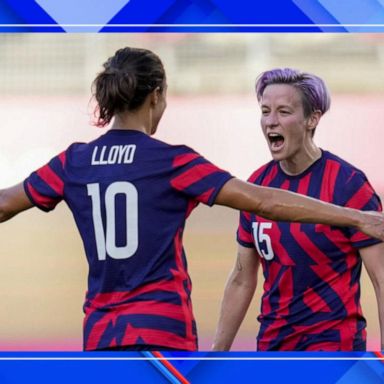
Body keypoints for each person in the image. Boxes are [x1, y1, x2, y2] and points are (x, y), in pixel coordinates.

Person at [1, 51, 384, 352]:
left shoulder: (74, 161)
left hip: (102, 335)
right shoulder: (172, 161)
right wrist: (355, 218)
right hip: (165, 332)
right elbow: (262, 203)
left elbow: (5, 203)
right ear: (155, 96)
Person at [212, 68, 384, 352]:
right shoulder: (257, 186)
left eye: (283, 111)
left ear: (312, 119)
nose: (271, 122)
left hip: (335, 349)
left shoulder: (348, 184)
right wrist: (216, 355)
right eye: (265, 111)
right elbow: (242, 278)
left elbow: (380, 277)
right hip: (273, 347)